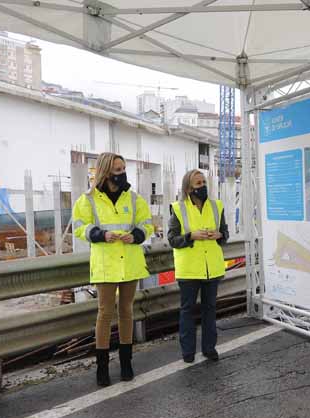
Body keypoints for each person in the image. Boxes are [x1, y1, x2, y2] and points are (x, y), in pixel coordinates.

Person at [73, 152, 154, 387]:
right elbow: (79, 226)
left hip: (129, 260)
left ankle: (126, 363)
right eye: (118, 170)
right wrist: (102, 235)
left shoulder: (133, 198)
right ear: (106, 172)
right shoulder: (88, 199)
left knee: (127, 311)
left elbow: (146, 224)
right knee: (105, 313)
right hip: (106, 263)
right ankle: (102, 367)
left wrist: (136, 235)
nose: (122, 173)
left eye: (123, 169)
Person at [168, 169, 229, 363]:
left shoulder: (217, 206)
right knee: (187, 310)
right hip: (189, 268)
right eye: (198, 183)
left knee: (209, 309)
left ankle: (209, 348)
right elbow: (172, 239)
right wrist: (190, 236)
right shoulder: (178, 208)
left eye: (204, 182)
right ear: (188, 188)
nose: (202, 186)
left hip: (212, 266)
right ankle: (188, 352)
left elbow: (225, 233)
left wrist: (219, 235)